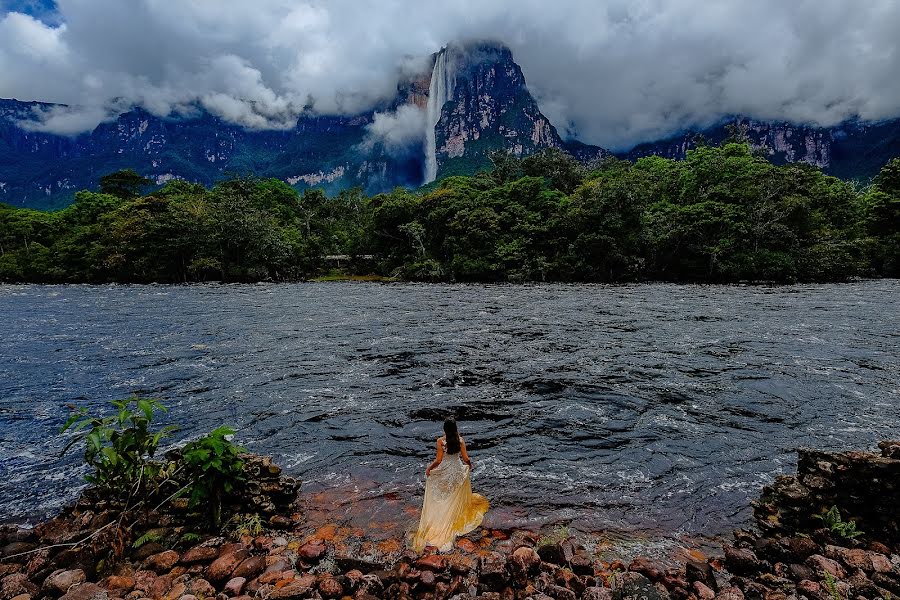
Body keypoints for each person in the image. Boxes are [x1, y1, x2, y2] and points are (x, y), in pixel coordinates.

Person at [412, 418, 489, 552]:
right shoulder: (460, 440)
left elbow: (438, 460)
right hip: (457, 471)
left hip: (446, 471)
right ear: (455, 428)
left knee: (442, 494)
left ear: (445, 430)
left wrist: (429, 469)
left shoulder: (441, 441)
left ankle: (441, 517)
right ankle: (454, 514)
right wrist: (469, 466)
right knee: (454, 494)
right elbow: (466, 459)